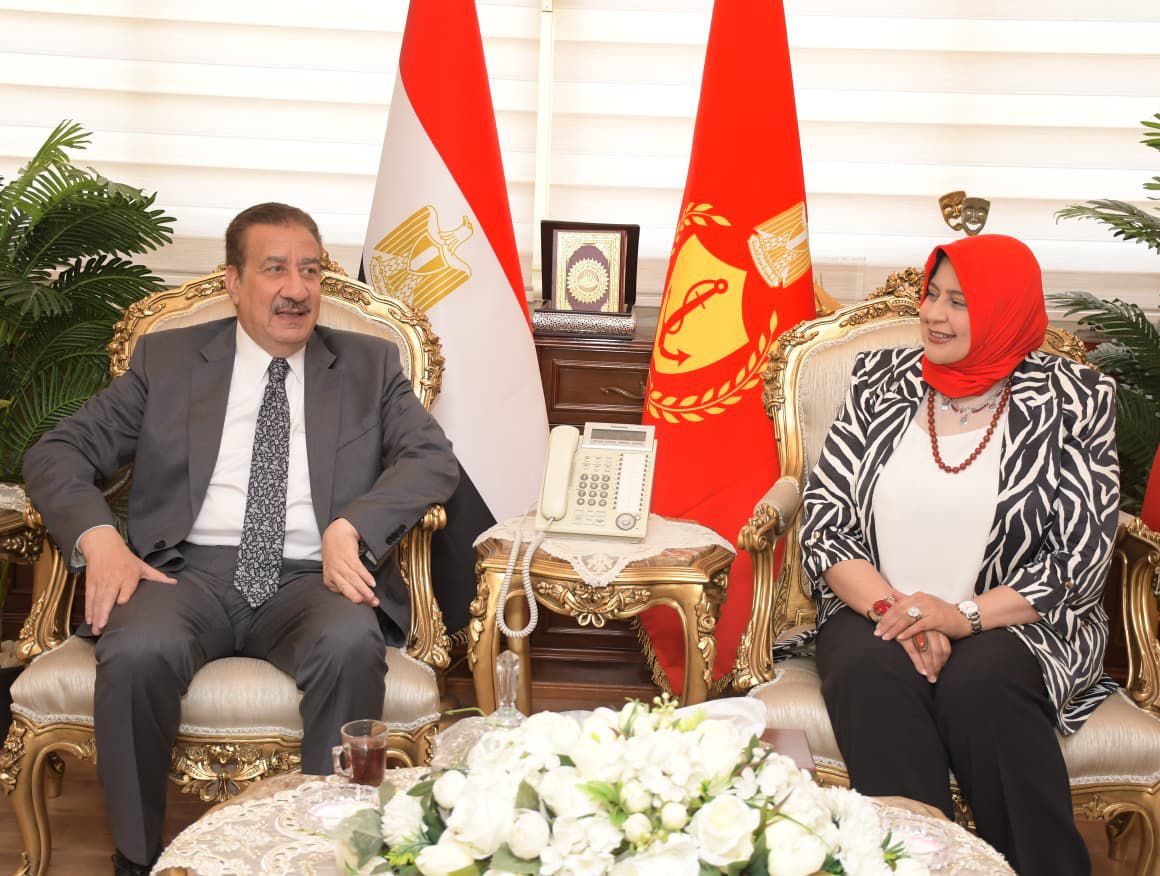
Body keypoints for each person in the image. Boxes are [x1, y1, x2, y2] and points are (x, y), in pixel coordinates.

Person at [23, 203, 459, 875]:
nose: (296, 289)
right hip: (185, 574)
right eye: (275, 269)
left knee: (351, 642)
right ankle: (136, 859)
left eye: (310, 271)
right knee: (136, 650)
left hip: (313, 575)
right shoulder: (169, 360)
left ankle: (325, 856)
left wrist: (352, 527)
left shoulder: (368, 365)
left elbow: (431, 460)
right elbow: (57, 452)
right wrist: (100, 539)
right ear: (233, 281)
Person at [798, 234, 1119, 875]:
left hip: (1011, 620)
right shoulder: (879, 381)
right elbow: (826, 522)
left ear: (1004, 311)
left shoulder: (1076, 397)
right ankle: (913, 866)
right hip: (876, 608)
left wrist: (960, 616)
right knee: (867, 671)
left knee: (983, 683)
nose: (933, 314)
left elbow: (1078, 558)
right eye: (932, 294)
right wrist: (897, 612)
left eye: (959, 302)